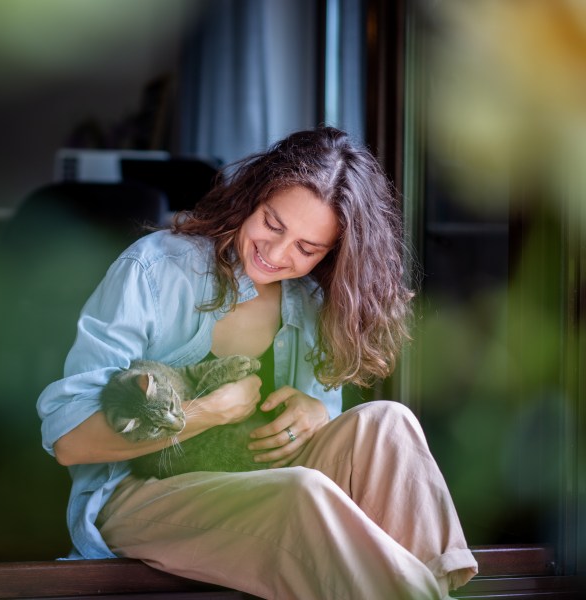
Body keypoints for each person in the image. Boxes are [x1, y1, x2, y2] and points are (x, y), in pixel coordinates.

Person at [37, 126, 478, 599]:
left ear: (333, 254)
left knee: (390, 422)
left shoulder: (312, 299)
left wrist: (317, 413)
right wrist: (211, 411)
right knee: (300, 493)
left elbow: (322, 426)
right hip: (141, 497)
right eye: (273, 224)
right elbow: (69, 440)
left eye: (307, 249)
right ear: (253, 197)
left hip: (263, 486)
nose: (277, 254)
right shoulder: (154, 269)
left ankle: (440, 591)